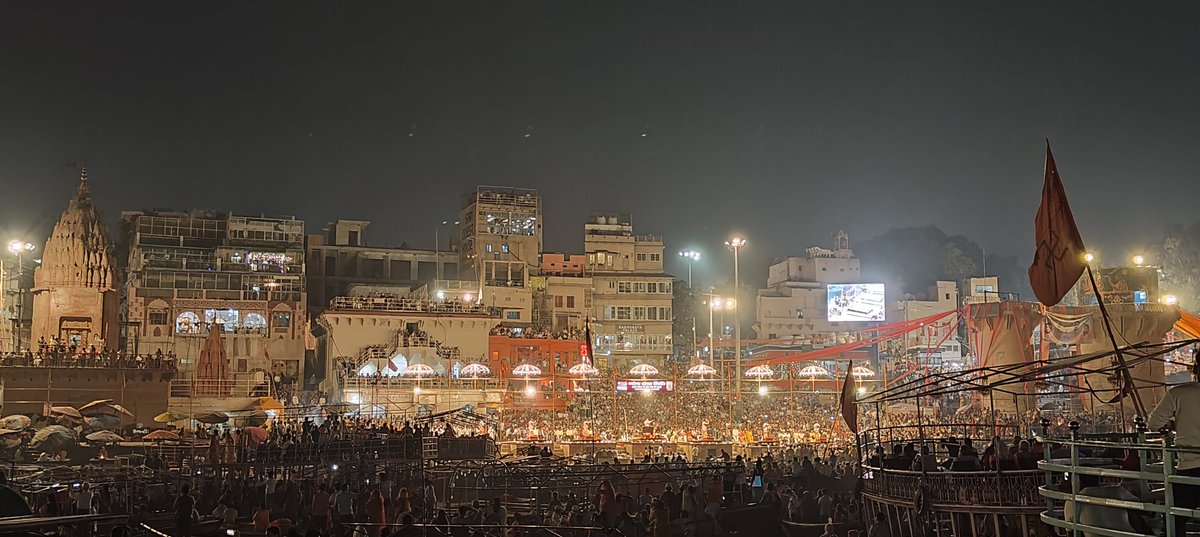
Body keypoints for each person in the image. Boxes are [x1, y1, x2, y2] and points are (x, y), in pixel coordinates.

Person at [1148, 350, 1200, 537]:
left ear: (1195, 368)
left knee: (1175, 519)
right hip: (1190, 465)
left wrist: (1175, 422)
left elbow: (1153, 424)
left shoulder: (1179, 393)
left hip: (1189, 466)